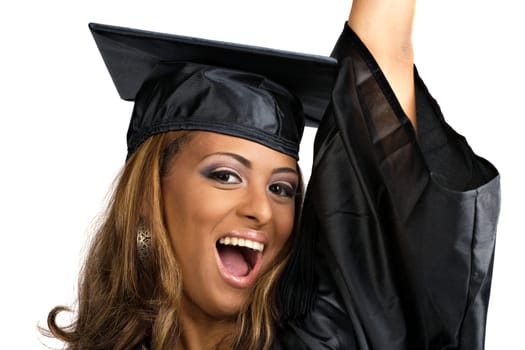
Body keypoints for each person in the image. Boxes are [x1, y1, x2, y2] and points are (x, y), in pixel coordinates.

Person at [44, 1, 500, 349]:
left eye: (282, 187)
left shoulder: (329, 335)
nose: (262, 209)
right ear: (149, 197)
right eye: (225, 176)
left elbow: (381, 56)